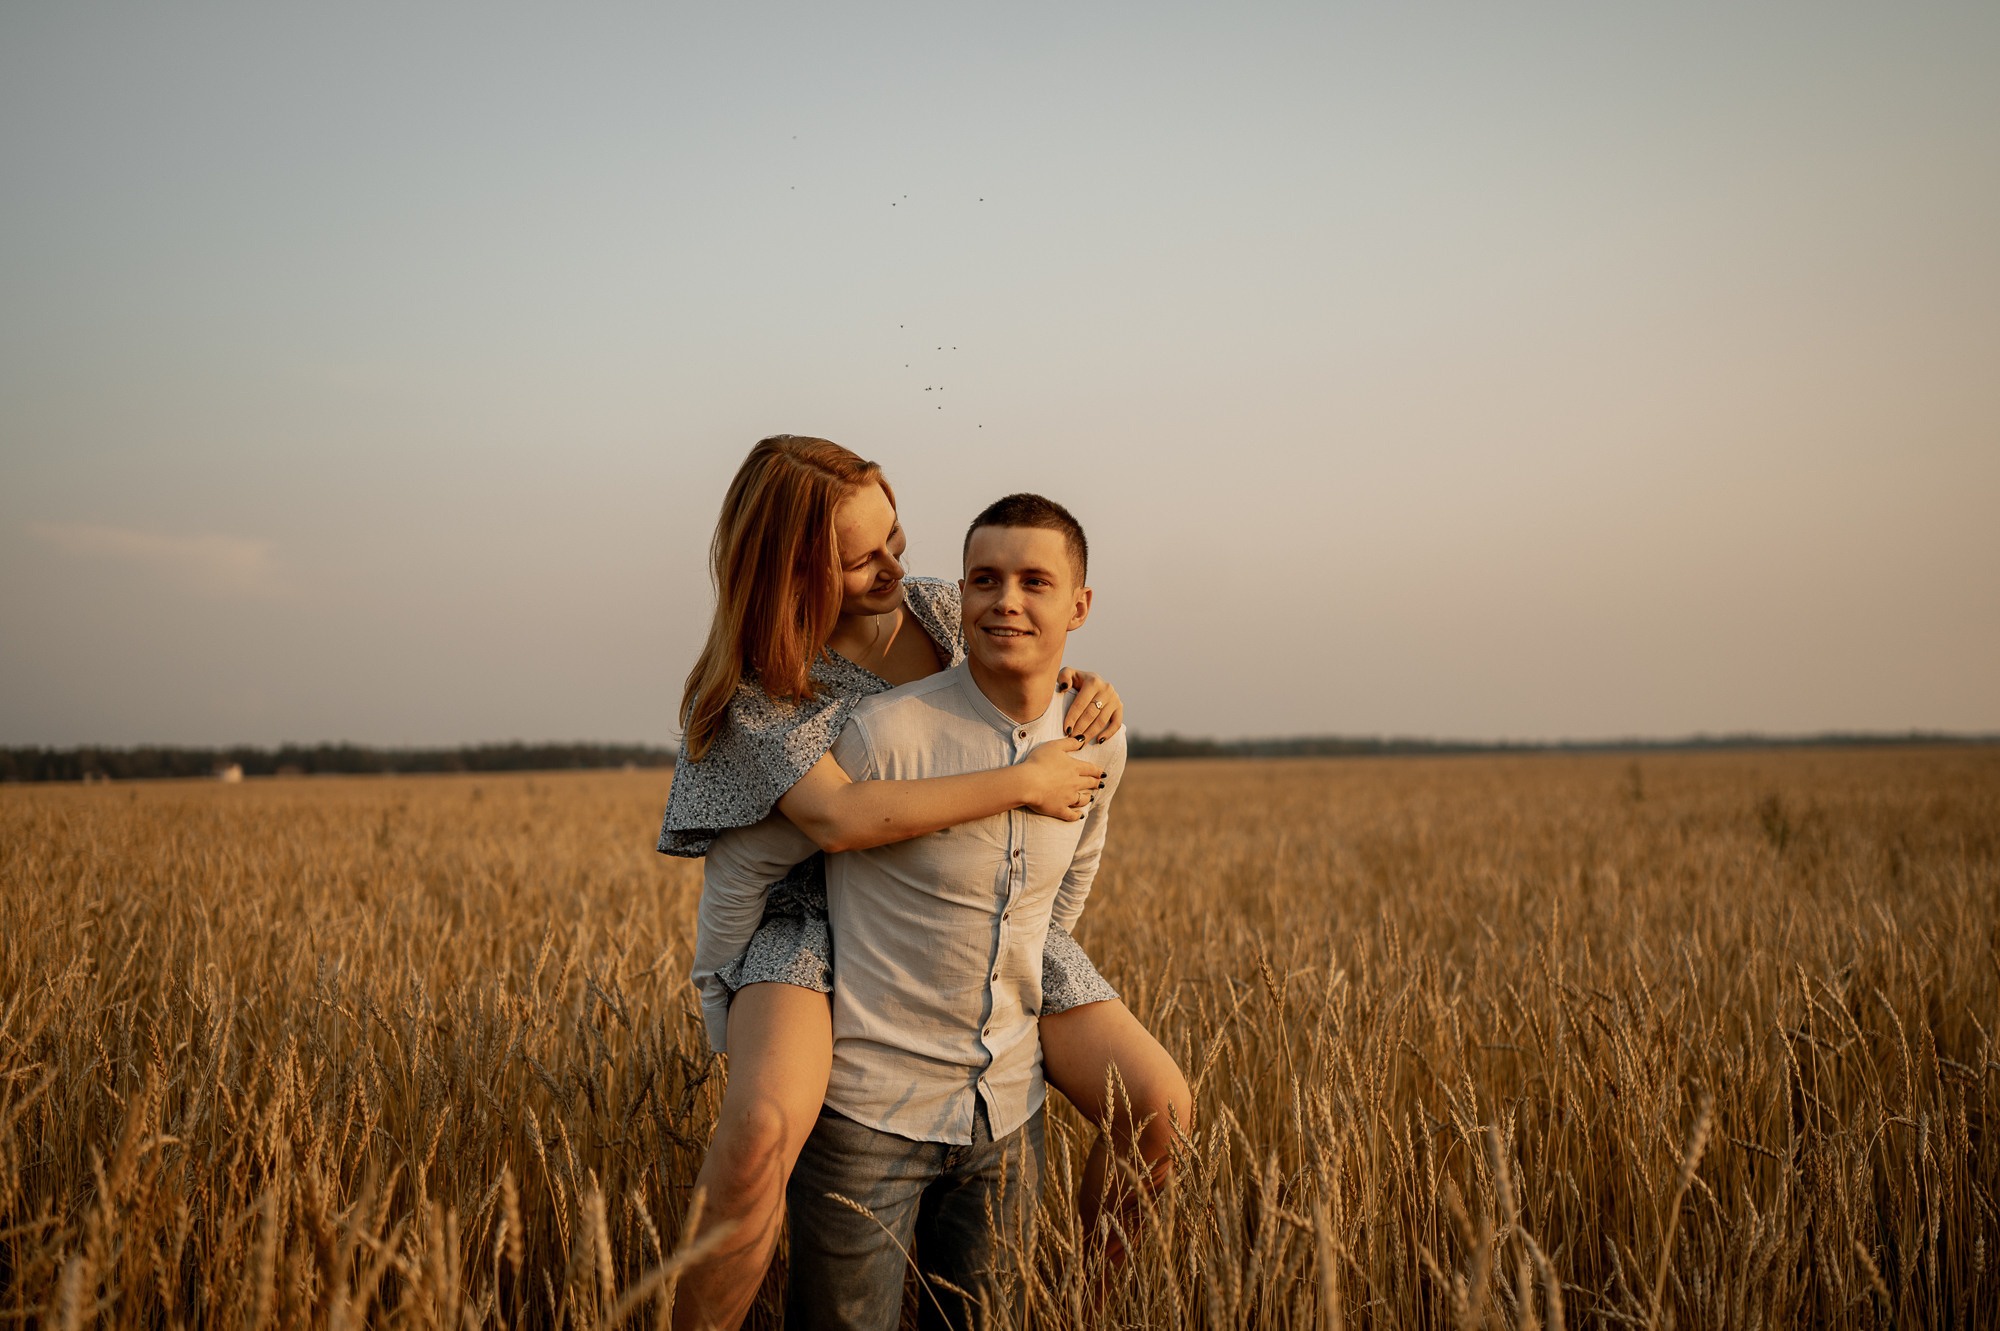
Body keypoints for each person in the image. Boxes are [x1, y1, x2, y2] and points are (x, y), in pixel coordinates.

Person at [657, 439, 1189, 1331]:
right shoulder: (762, 686)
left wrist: (1087, 690)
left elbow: (1025, 662)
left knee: (1158, 1104)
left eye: (896, 537)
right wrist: (1026, 781)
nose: (896, 567)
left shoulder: (940, 607)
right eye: (862, 557)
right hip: (816, 911)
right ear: (788, 570)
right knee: (755, 1141)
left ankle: (1087, 1305)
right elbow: (842, 822)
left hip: (981, 887)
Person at [778, 492, 1134, 1329]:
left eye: (1034, 581)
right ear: (961, 595)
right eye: (984, 578)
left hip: (1007, 1116)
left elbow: (1064, 895)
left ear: (1079, 607)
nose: (1005, 599)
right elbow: (784, 872)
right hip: (870, 1116)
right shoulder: (879, 736)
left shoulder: (1101, 736)